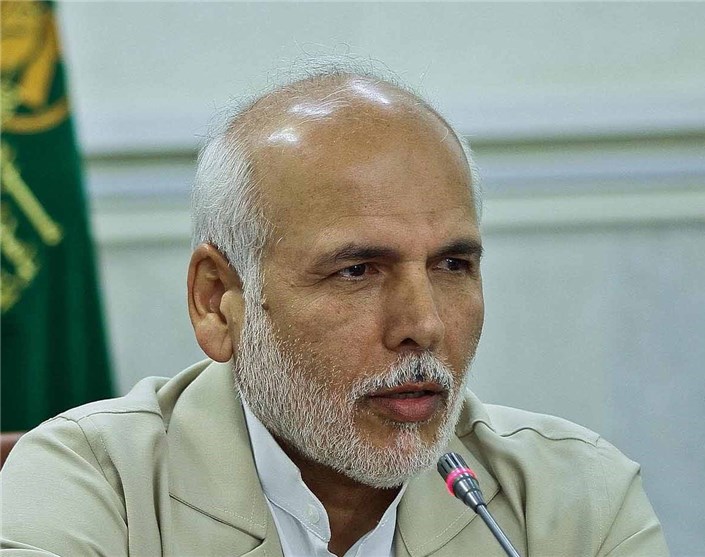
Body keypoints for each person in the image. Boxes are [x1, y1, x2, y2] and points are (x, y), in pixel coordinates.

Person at [0, 63, 669, 556]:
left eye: (452, 265)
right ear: (217, 302)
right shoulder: (94, 487)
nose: (423, 325)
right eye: (357, 271)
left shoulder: (575, 500)